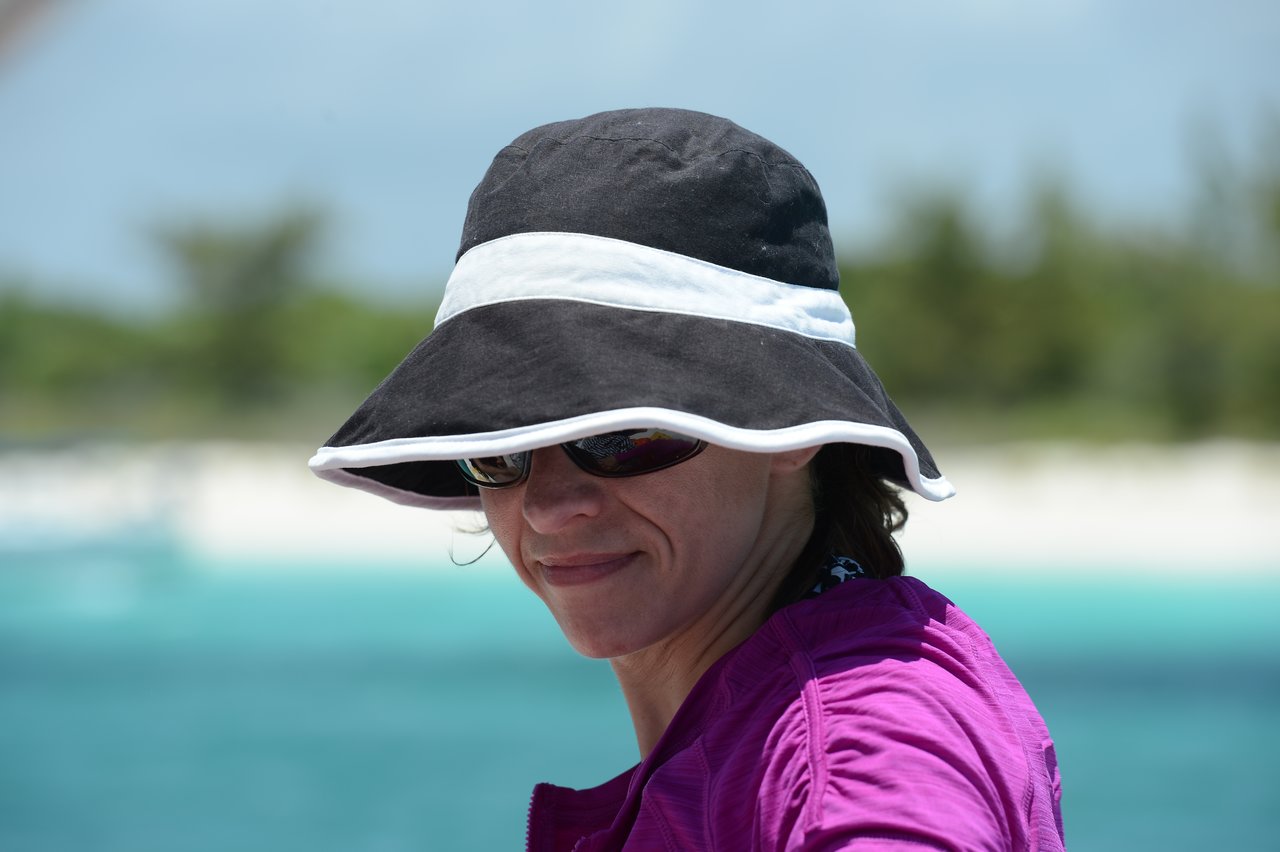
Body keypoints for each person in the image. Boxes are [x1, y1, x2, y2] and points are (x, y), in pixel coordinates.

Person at [310, 107, 1065, 850]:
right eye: (503, 447)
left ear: (786, 427)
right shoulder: (807, 711)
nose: (545, 507)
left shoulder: (856, 750)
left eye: (619, 436)